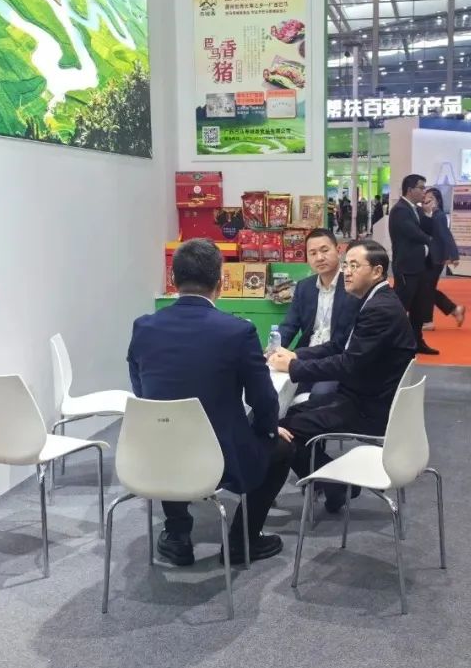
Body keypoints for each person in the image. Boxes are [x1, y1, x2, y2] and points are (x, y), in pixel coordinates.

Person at [126, 239, 288, 567]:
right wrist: (267, 431)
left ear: (173, 279)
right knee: (283, 449)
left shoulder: (144, 327)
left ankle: (177, 533)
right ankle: (243, 541)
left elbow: (143, 391)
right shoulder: (238, 332)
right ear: (221, 281)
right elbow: (263, 400)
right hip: (221, 456)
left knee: (169, 433)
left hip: (155, 454)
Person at [268, 240, 417, 513]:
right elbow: (339, 346)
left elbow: (347, 364)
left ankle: (334, 486)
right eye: (346, 265)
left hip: (369, 407)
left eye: (355, 266)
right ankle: (335, 485)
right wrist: (296, 356)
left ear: (377, 271)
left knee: (281, 432)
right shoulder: (373, 299)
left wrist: (294, 368)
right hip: (364, 395)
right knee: (289, 416)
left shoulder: (379, 309)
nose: (347, 272)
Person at [277, 228, 362, 397]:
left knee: (320, 394)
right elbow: (289, 325)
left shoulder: (352, 286)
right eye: (313, 253)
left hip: (334, 360)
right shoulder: (304, 287)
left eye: (325, 250)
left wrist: (296, 354)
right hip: (304, 357)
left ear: (338, 250)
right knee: (273, 386)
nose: (319, 258)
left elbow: (341, 342)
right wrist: (274, 348)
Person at [389, 173, 437, 355]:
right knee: (401, 307)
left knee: (419, 307)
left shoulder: (416, 209)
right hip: (406, 267)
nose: (424, 192)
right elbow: (414, 234)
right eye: (421, 188)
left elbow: (428, 229)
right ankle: (394, 343)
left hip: (420, 266)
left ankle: (417, 341)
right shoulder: (400, 210)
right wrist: (431, 241)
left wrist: (429, 213)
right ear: (410, 190)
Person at [421, 186, 466, 329]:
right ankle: (454, 310)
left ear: (437, 201)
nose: (427, 201)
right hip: (431, 257)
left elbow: (446, 235)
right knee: (427, 288)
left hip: (436, 258)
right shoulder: (431, 215)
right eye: (426, 198)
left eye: (430, 198)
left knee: (427, 289)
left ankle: (428, 320)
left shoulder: (439, 216)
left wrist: (454, 255)